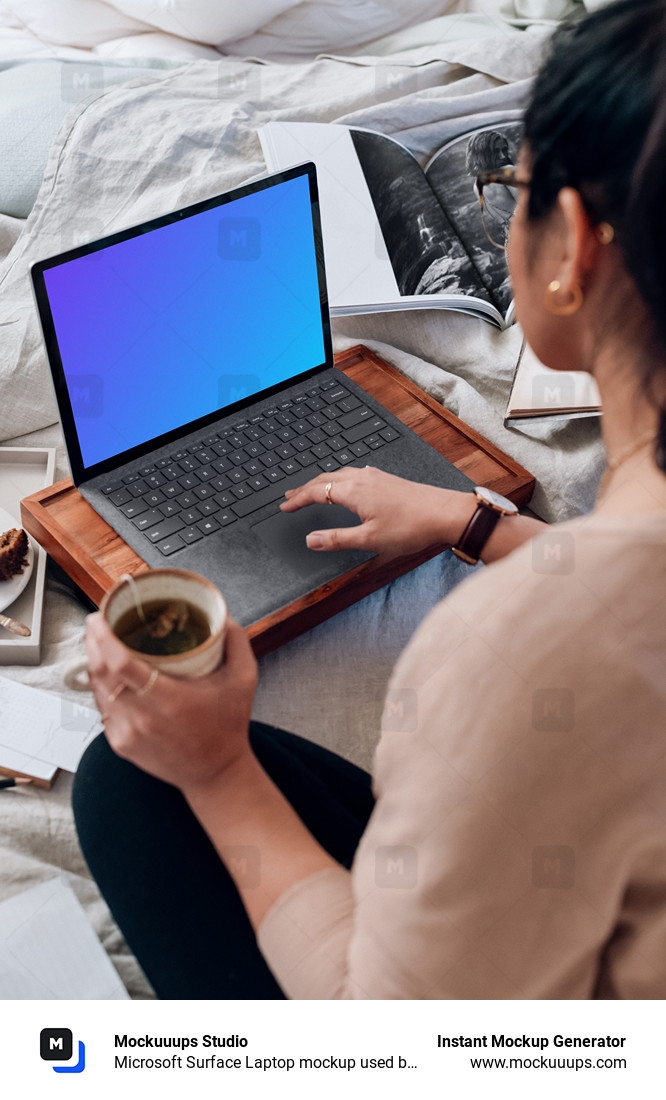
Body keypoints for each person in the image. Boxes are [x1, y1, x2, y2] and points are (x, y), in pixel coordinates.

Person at [74, 0, 666, 999]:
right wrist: (479, 520)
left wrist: (218, 769)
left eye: (508, 186)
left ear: (575, 246)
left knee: (129, 781)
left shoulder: (511, 655)